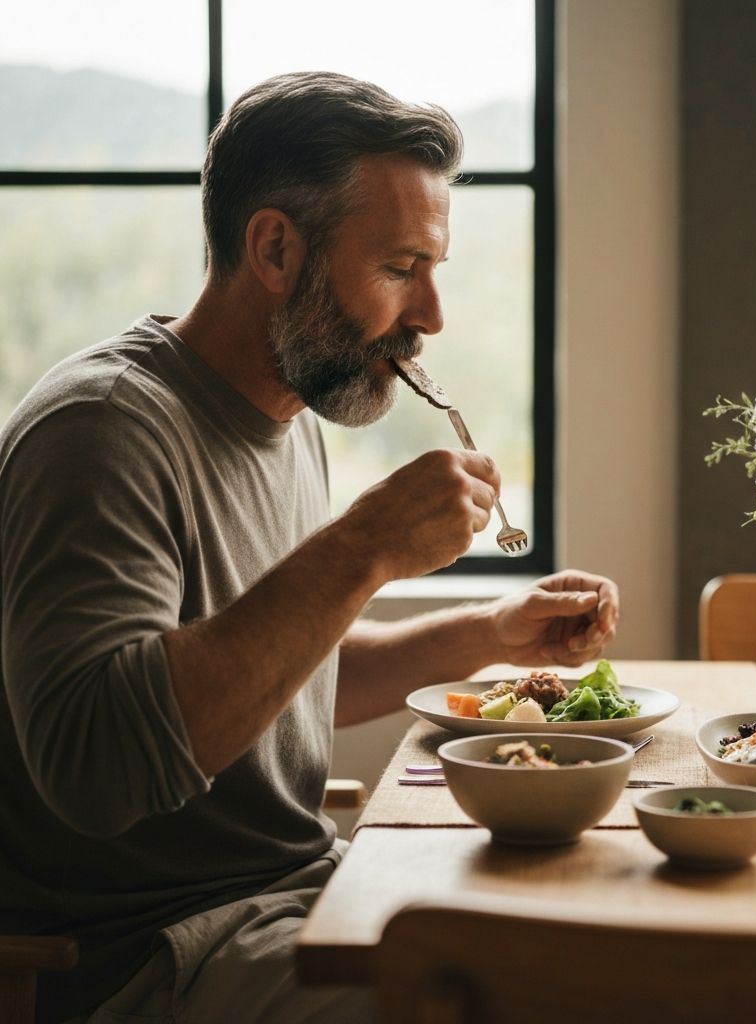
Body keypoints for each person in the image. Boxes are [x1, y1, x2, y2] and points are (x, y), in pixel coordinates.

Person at [0, 71, 619, 1023]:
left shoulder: (289, 419)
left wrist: (490, 633)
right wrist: (363, 546)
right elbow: (99, 766)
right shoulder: (101, 431)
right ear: (275, 249)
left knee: (602, 937)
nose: (432, 315)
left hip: (300, 891)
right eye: (402, 267)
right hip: (152, 955)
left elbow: (278, 677)